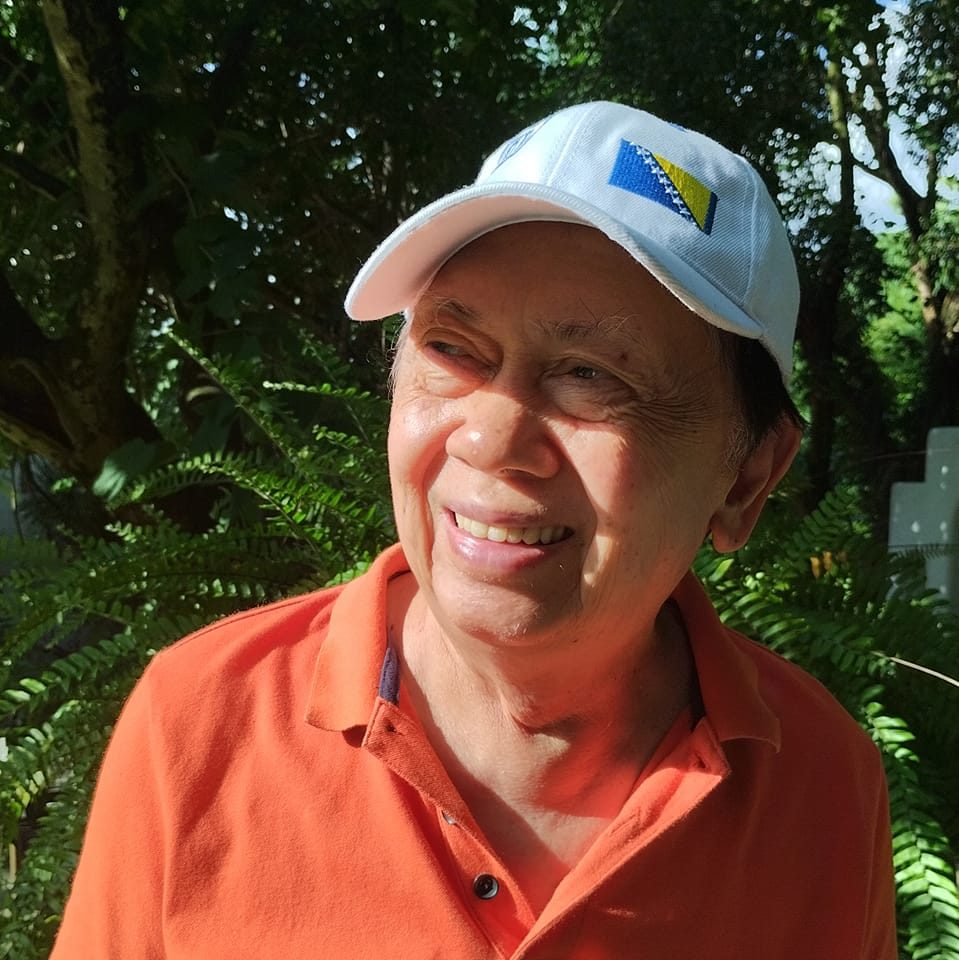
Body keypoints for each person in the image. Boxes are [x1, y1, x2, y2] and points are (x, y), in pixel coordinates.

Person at [51, 101, 897, 959]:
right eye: (453, 349)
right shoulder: (198, 724)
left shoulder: (824, 788)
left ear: (747, 476)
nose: (490, 439)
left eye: (589, 375)